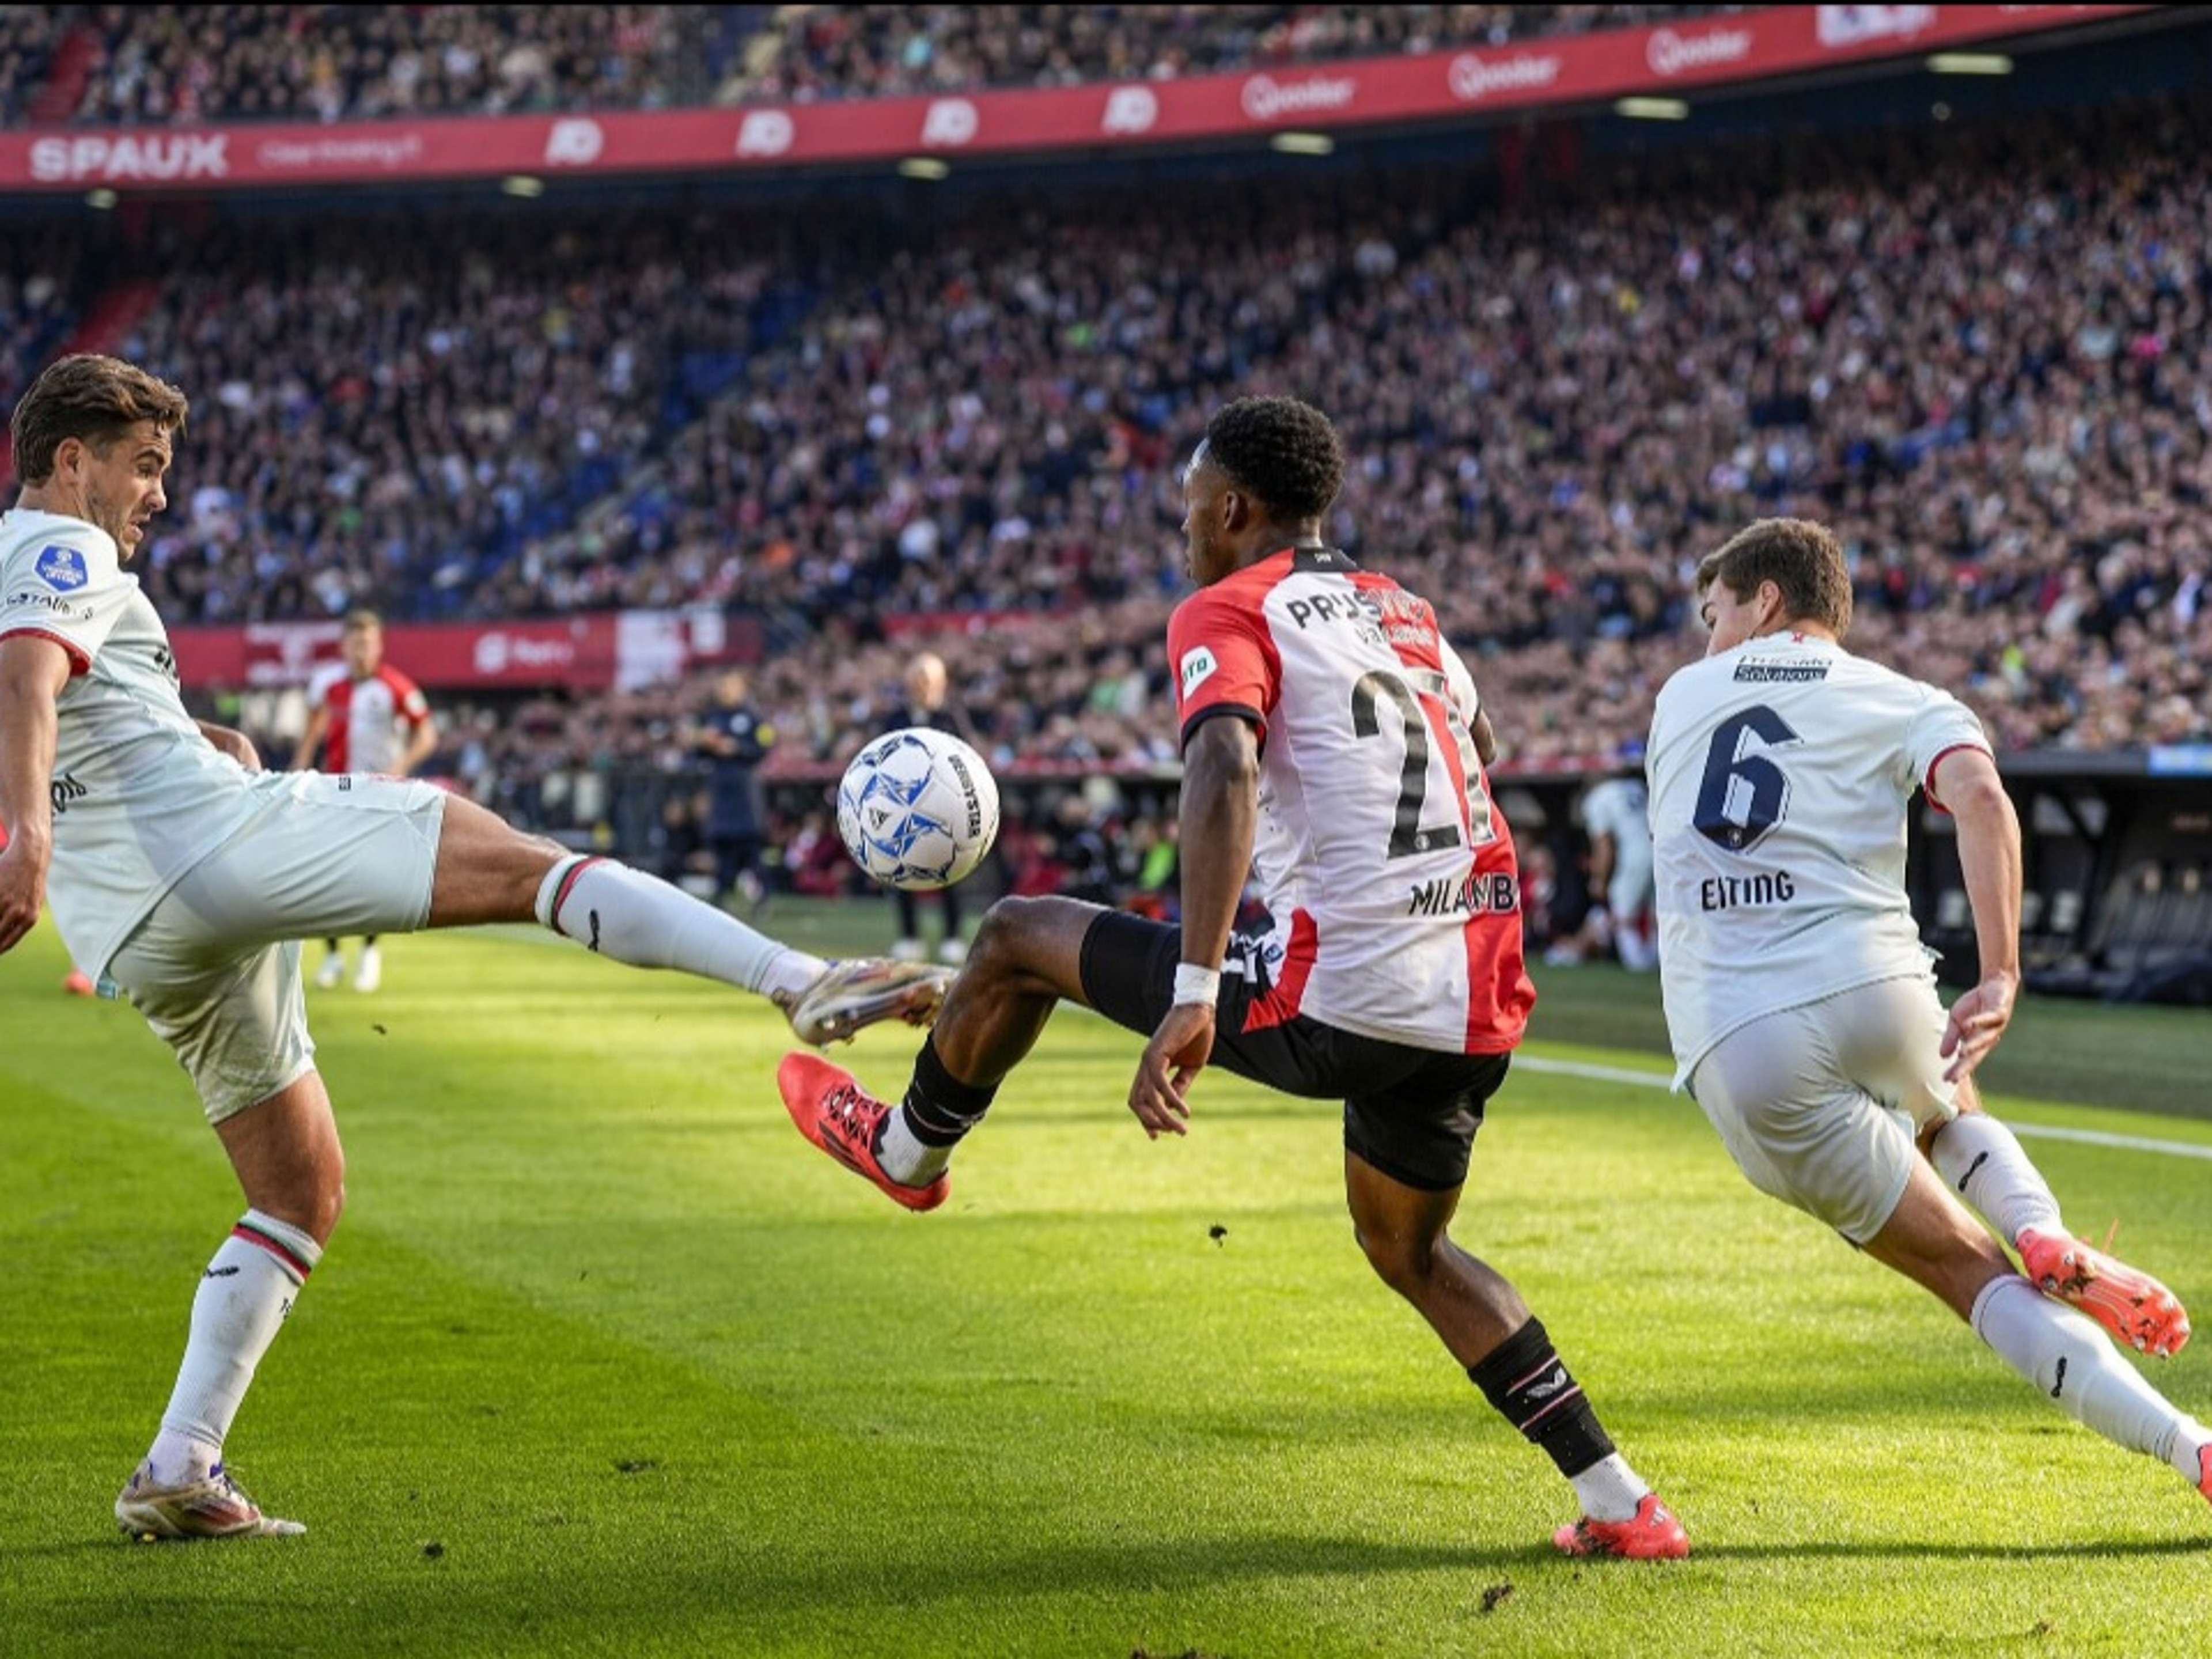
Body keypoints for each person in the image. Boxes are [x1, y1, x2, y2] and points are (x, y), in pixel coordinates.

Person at [0, 354, 956, 1541]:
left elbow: (62, 700)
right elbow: (30, 677)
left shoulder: (33, 573)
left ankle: (180, 1467)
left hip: (140, 925)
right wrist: (25, 837)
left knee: (299, 1191)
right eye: (143, 469)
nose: (156, 495)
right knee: (519, 861)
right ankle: (803, 983)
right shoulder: (61, 543)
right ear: (69, 459)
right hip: (206, 851)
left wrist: (194, 734)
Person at [779, 396, 1690, 1560]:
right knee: (1406, 1248)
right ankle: (1622, 1501)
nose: (1183, 537)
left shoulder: (1225, 605)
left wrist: (1198, 991)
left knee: (1014, 934)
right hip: (1474, 995)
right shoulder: (1403, 610)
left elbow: (1223, 762)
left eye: (1185, 515)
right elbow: (1483, 748)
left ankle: (906, 1151)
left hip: (1343, 991)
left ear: (1232, 508)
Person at [1645, 516, 2204, 1514]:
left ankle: (2183, 1438)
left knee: (1965, 1270)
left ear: (1765, 600)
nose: (1706, 637)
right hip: (1884, 991)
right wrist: (2002, 974)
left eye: (1714, 612)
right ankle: (2048, 1235)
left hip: (1744, 1032)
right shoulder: (1901, 695)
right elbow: (1982, 794)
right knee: (1944, 1104)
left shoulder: (1680, 697)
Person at [289, 609, 438, 993]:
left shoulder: (396, 687)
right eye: (356, 643)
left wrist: (401, 764)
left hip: (379, 794)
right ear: (344, 646)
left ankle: (370, 952)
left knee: (372, 875)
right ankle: (334, 957)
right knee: (325, 875)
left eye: (369, 643)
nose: (362, 651)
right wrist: (301, 767)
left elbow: (428, 735)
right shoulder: (327, 684)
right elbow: (313, 728)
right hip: (335, 790)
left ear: (379, 646)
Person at [887, 650, 982, 965]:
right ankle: (909, 936)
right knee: (902, 872)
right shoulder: (896, 718)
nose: (922, 686)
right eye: (917, 678)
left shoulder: (952, 717)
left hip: (943, 812)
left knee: (949, 873)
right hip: (904, 810)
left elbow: (968, 759)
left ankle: (953, 935)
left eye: (928, 679)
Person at [1543, 758, 1656, 971]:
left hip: (1635, 856)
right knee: (1656, 916)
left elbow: (1604, 846)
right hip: (1660, 851)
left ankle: (1640, 967)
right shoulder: (1636, 787)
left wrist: (1599, 880)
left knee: (1623, 916)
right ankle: (1658, 964)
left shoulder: (1598, 798)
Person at [685, 668, 775, 912]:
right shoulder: (710, 718)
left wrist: (736, 748)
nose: (726, 691)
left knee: (751, 849)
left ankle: (763, 896)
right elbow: (694, 749)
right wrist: (703, 742)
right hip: (719, 789)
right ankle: (721, 896)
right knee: (721, 849)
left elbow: (763, 747)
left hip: (745, 790)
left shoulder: (753, 718)